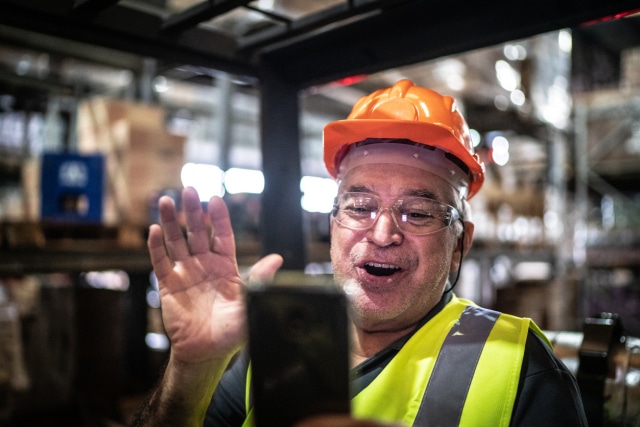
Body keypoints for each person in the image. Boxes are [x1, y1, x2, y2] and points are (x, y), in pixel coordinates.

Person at [132, 79, 587, 426]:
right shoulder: (276, 348)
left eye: (418, 213)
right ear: (333, 226)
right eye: (361, 207)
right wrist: (193, 369)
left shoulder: (520, 371)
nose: (383, 232)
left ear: (459, 245)